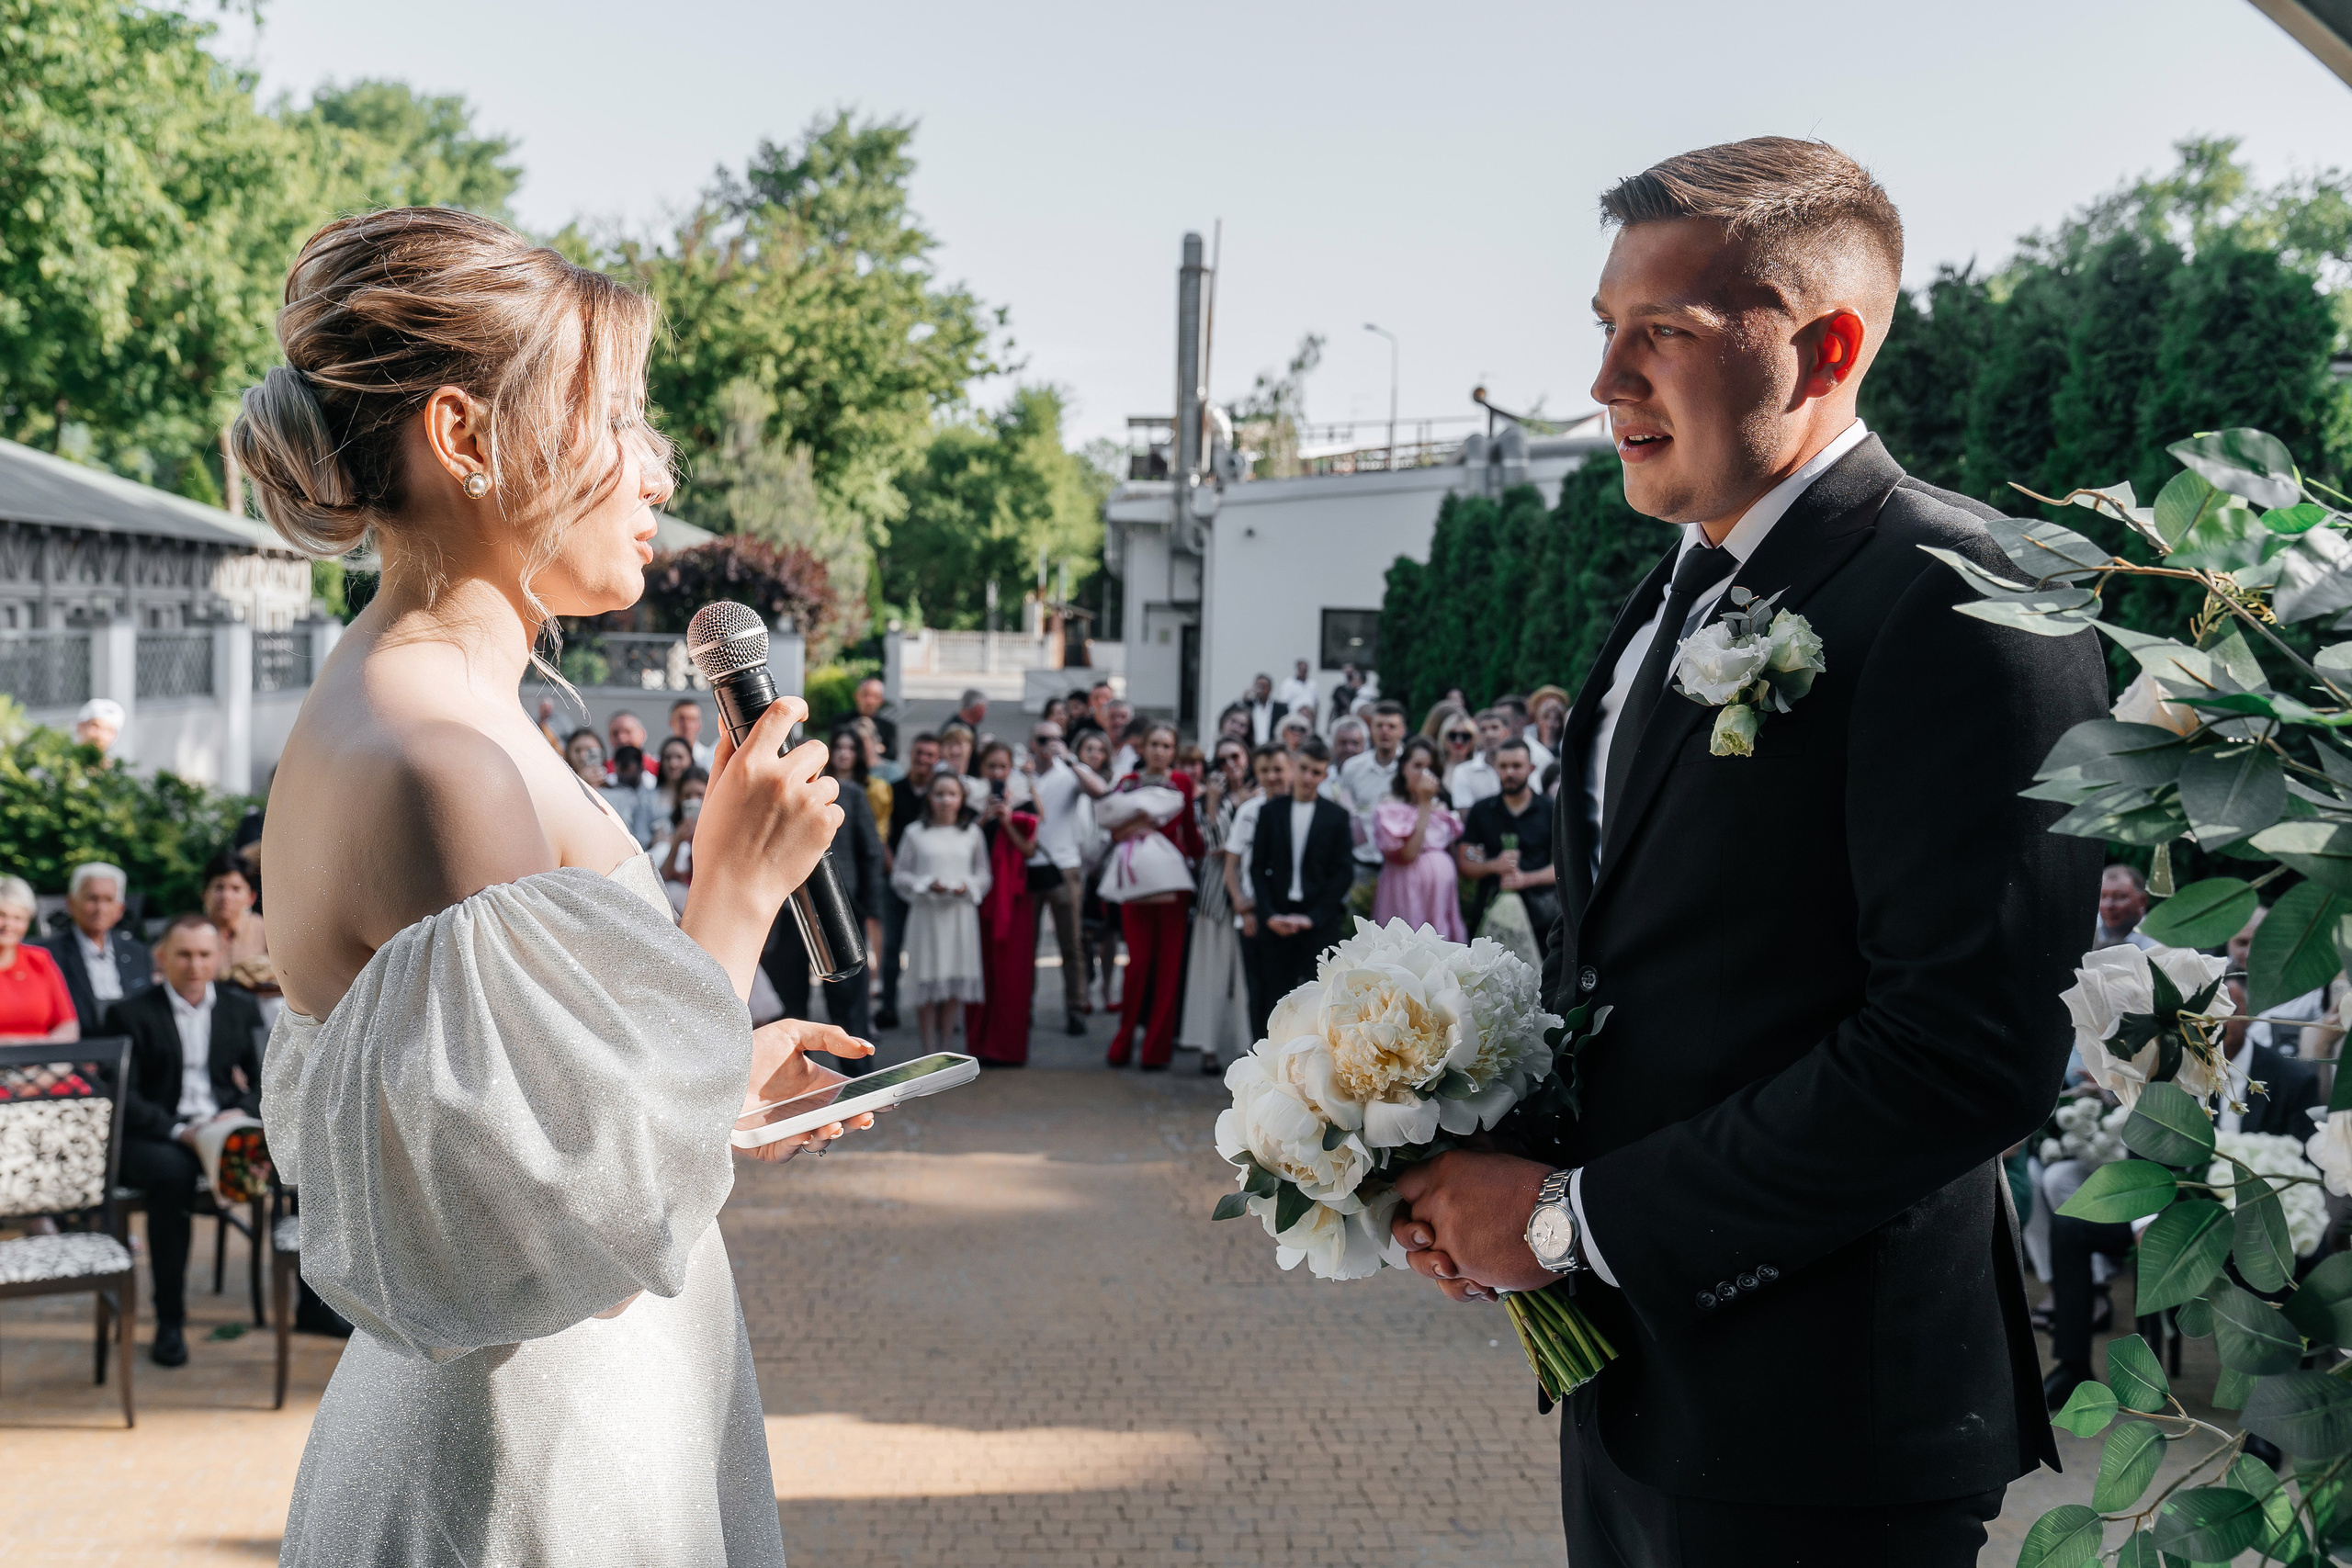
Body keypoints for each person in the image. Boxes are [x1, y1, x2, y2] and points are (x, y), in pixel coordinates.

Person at [1385, 139, 2107, 1566]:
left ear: (1824, 347)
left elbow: (1963, 1054)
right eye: (1605, 326)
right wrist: (1487, 1155)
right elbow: (1663, 967)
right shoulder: (1669, 589)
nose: (1606, 380)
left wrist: (1570, 1219)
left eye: (1660, 330)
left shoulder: (1972, 602)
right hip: (1637, 1386)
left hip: (1825, 1422)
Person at [231, 205, 873, 1563]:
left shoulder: (425, 704)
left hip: (573, 1409)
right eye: (617, 416)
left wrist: (720, 1078)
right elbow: (549, 1232)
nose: (657, 466)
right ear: (464, 438)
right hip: (532, 1460)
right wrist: (736, 893)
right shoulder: (439, 761)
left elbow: (494, 1130)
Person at [2041, 964, 2324, 1409]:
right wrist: (2146, 1221)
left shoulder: (2291, 1079)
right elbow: (2141, 1153)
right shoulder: (2170, 1069)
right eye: (2202, 1020)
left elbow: (2305, 1165)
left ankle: (2270, 1401)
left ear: (2246, 1016)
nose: (2212, 1029)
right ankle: (2072, 1366)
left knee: (2285, 1257)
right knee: (2070, 1226)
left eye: (2224, 1015)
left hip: (2253, 1224)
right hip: (2175, 1216)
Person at [105, 912, 266, 1366]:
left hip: (222, 1125)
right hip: (157, 1134)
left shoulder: (239, 1007)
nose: (195, 965)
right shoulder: (128, 1013)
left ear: (218, 957)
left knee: (294, 1160)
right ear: (161, 957)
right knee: (172, 1177)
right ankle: (170, 1320)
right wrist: (181, 1131)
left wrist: (242, 1111)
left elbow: (267, 1081)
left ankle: (311, 1306)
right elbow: (125, 1098)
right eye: (184, 955)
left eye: (204, 955)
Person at [762, 730, 886, 1065]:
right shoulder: (768, 797)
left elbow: (871, 853)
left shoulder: (850, 794)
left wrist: (865, 908)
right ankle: (797, 1086)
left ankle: (858, 1083)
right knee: (789, 1008)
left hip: (837, 910)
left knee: (848, 1006)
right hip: (784, 915)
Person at [1102, 723, 1200, 1069]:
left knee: (1169, 968)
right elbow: (1113, 831)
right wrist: (1136, 826)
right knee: (1139, 964)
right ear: (1142, 748)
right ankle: (1124, 1039)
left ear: (1174, 751)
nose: (1160, 751)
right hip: (1136, 881)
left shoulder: (1183, 782)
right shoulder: (1128, 782)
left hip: (1173, 883)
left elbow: (1190, 830)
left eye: (1166, 745)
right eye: (1154, 744)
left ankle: (1156, 1050)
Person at [1243, 738, 1353, 1039]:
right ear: (1293, 767)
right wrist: (1268, 915)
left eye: (1316, 772)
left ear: (1324, 775)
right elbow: (1257, 867)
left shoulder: (1337, 816)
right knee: (1272, 997)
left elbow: (1342, 873)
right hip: (1276, 916)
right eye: (1303, 769)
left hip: (1318, 920)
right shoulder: (1270, 812)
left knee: (1320, 999)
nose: (1307, 777)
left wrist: (1314, 917)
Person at [893, 770, 989, 1055]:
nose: (946, 800)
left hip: (960, 916)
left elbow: (984, 874)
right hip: (927, 915)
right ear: (929, 798)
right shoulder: (914, 832)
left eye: (952, 794)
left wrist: (968, 886)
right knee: (927, 976)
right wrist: (924, 884)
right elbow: (899, 875)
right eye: (939, 794)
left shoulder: (972, 833)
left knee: (953, 978)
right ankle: (928, 1050)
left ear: (961, 799)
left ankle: (946, 1049)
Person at [1178, 736, 1258, 1073]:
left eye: (1235, 756)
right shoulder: (1207, 800)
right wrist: (1212, 805)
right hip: (1214, 896)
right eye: (1223, 760)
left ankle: (1251, 1048)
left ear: (1247, 758)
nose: (1230, 765)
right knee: (1208, 974)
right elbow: (1214, 845)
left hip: (1252, 893)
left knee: (1247, 978)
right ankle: (1207, 1047)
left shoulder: (1262, 795)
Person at [967, 741, 1043, 1066]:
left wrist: (1008, 820)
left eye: (1002, 767)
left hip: (1014, 898)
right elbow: (963, 844)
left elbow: (1029, 850)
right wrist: (985, 816)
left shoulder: (1025, 802)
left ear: (1010, 769)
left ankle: (1008, 1048)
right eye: (991, 766)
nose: (997, 772)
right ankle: (979, 1045)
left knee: (1013, 972)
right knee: (980, 970)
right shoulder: (970, 801)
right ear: (982, 769)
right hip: (979, 895)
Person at [1456, 739, 1558, 962]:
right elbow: (1465, 862)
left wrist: (1526, 879)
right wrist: (1494, 865)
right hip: (1490, 909)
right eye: (1503, 766)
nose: (1509, 772)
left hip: (1540, 915)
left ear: (1531, 768)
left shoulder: (1550, 809)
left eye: (1516, 766)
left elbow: (1565, 867)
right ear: (1495, 768)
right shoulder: (1482, 810)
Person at [1027, 720, 1091, 1036]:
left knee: (1071, 943)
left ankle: (1076, 1008)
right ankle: (1023, 1009)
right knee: (1026, 945)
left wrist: (1070, 759)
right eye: (1043, 739)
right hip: (1029, 865)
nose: (1048, 745)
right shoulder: (1023, 774)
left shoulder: (1069, 774)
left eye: (1055, 739)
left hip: (1064, 866)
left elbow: (1098, 790)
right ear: (1032, 742)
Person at [40, 861, 153, 1036]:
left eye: (109, 900)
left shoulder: (138, 953)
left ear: (120, 909)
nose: (100, 908)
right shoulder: (47, 955)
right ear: (71, 903)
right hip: (78, 1047)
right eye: (92, 899)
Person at [1373, 735, 1466, 941]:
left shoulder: (1442, 808)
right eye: (1417, 766)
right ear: (1403, 768)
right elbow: (1408, 854)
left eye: (1430, 768)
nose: (1424, 774)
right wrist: (1424, 804)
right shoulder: (1390, 808)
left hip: (1440, 897)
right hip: (1406, 890)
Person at [877, 731, 942, 1030]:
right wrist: (896, 871)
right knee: (892, 947)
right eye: (920, 753)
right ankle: (889, 1006)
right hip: (897, 880)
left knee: (933, 947)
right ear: (911, 754)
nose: (923, 759)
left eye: (930, 755)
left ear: (937, 760)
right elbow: (883, 834)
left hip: (932, 885)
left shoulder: (940, 795)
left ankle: (935, 1007)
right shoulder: (893, 790)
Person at [1072, 729, 1123, 1011]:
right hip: (1079, 865)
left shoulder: (1113, 783)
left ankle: (1107, 988)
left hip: (1107, 865)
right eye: (1088, 749)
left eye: (1100, 749)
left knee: (1109, 933)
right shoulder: (1071, 783)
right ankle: (1084, 990)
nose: (1094, 754)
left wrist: (1100, 856)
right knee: (1082, 934)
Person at [1336, 700, 1406, 888]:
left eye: (1391, 726)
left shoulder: (1410, 768)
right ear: (1371, 729)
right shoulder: (1352, 768)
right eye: (1379, 725)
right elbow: (1344, 812)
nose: (1385, 731)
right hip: (1360, 862)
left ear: (1402, 730)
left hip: (1399, 865)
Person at [0, 874, 77, 1041]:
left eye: (18, 918)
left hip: (43, 1056)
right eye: (1, 915)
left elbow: (68, 1024)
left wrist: (43, 1046)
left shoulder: (39, 960)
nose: (8, 925)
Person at [201, 851, 269, 967]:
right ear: (205, 894)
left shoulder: (265, 933)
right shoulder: (192, 934)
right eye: (219, 887)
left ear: (251, 897)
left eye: (236, 889)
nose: (226, 896)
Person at [657, 768, 709, 914]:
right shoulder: (670, 827)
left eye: (699, 795)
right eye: (687, 795)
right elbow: (663, 878)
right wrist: (678, 841)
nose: (693, 800)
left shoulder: (718, 825)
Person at [601, 744, 662, 848]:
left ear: (641, 767)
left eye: (627, 767)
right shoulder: (606, 795)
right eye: (621, 767)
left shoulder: (653, 795)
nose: (624, 773)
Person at [2094, 863, 2156, 950]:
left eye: (2119, 897)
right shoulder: (2084, 930)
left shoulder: (2159, 943)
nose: (2109, 905)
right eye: (2103, 896)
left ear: (2142, 901)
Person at [1437, 715, 1488, 806]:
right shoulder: (1435, 767)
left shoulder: (1482, 769)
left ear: (1473, 740)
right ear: (1444, 738)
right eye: (1453, 735)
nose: (1458, 741)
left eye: (1465, 736)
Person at [851, 675, 898, 765]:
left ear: (881, 700)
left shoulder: (888, 727)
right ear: (856, 696)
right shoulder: (841, 722)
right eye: (866, 695)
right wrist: (878, 748)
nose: (870, 701)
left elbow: (891, 755)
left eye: (876, 697)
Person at [74, 696, 125, 761]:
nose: (100, 735)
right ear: (81, 726)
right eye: (95, 726)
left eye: (108, 730)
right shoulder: (65, 760)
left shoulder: (114, 765)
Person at [668, 697, 713, 769]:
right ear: (671, 722)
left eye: (692, 719)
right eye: (681, 719)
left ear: (700, 725)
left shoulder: (711, 761)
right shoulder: (661, 764)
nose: (687, 725)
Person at [1325, 716, 1366, 795]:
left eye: (1355, 743)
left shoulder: (1371, 779)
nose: (1349, 748)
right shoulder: (1324, 778)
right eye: (1343, 742)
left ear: (1364, 746)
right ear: (1334, 745)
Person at [1276, 659, 1318, 732]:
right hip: (1293, 719)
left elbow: (1316, 703)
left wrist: (1314, 720)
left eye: (1305, 669)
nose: (1304, 671)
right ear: (1297, 668)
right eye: (1302, 669)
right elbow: (1283, 703)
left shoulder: (1312, 684)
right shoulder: (1288, 683)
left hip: (1309, 720)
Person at [1241, 672, 1283, 745]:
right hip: (1251, 746)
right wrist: (1243, 699)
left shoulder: (1280, 709)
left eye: (1263, 686)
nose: (1260, 689)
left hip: (1272, 747)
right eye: (1258, 685)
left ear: (1270, 688)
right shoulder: (1247, 706)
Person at [1329, 664, 1365, 728]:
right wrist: (1329, 721)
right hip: (1339, 719)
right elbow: (1334, 706)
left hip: (1352, 720)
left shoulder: (1359, 692)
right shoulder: (1339, 689)